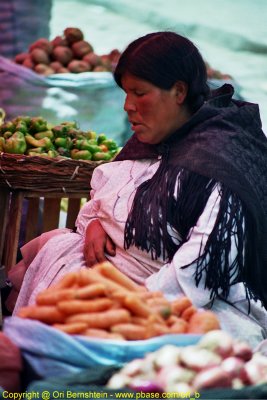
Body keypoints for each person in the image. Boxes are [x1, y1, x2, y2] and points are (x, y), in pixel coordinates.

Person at [11, 31, 267, 347]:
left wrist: (125, 305)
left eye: (139, 93)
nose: (128, 106)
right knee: (47, 254)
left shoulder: (217, 162)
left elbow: (200, 270)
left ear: (178, 91)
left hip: (176, 297)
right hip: (120, 270)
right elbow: (111, 192)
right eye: (125, 93)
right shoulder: (163, 135)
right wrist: (94, 223)